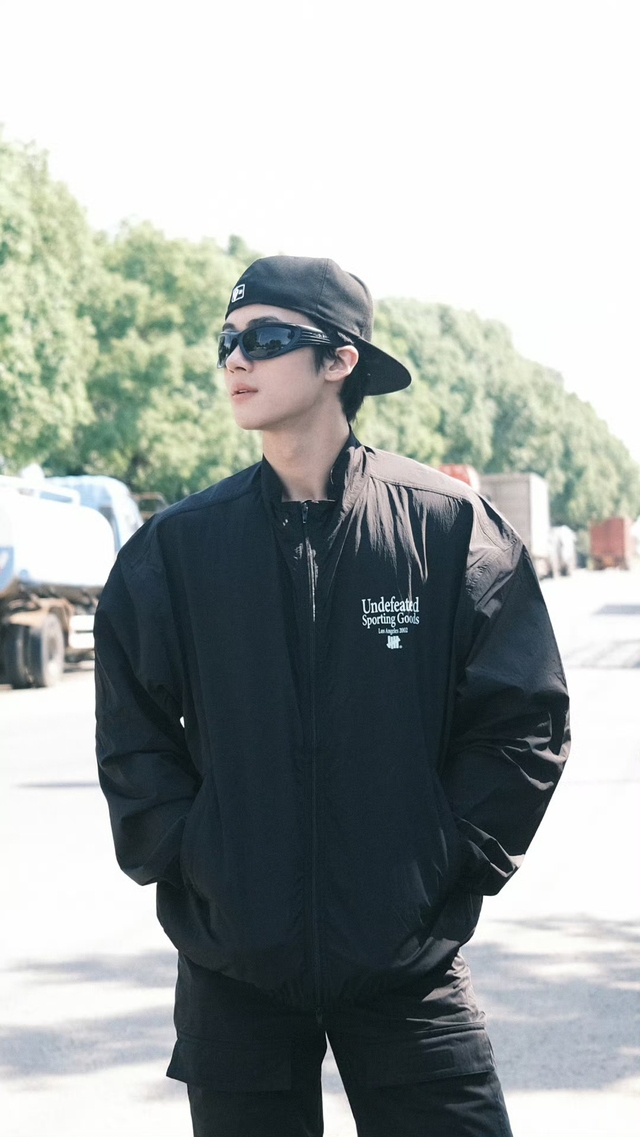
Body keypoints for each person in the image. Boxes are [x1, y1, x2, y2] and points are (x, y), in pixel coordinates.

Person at [95, 255, 570, 1137]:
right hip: (235, 971)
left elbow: (524, 720)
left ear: (340, 361)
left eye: (268, 338)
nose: (238, 359)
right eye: (228, 341)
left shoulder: (448, 527)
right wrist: (197, 860)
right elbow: (133, 730)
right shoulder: (178, 549)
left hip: (407, 961)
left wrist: (443, 861)